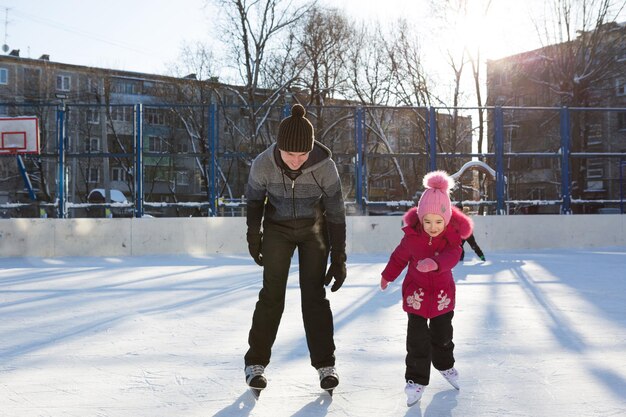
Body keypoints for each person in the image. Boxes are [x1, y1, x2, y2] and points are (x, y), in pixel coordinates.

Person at [243, 104, 347, 397]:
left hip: (314, 230)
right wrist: (254, 236)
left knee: (314, 296)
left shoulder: (324, 166)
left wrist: (339, 257)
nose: (296, 160)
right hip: (277, 230)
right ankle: (255, 364)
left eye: (303, 154)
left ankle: (326, 366)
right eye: (290, 154)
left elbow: (336, 214)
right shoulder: (263, 164)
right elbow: (254, 203)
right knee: (272, 294)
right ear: (279, 147)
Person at [380, 170, 473, 407]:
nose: (433, 227)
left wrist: (436, 263)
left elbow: (454, 255)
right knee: (417, 341)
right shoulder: (412, 239)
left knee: (443, 337)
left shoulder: (451, 238)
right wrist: (387, 276)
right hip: (417, 297)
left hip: (442, 297)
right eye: (428, 221)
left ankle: (445, 365)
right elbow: (398, 258)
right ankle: (416, 380)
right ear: (420, 218)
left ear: (448, 219)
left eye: (439, 221)